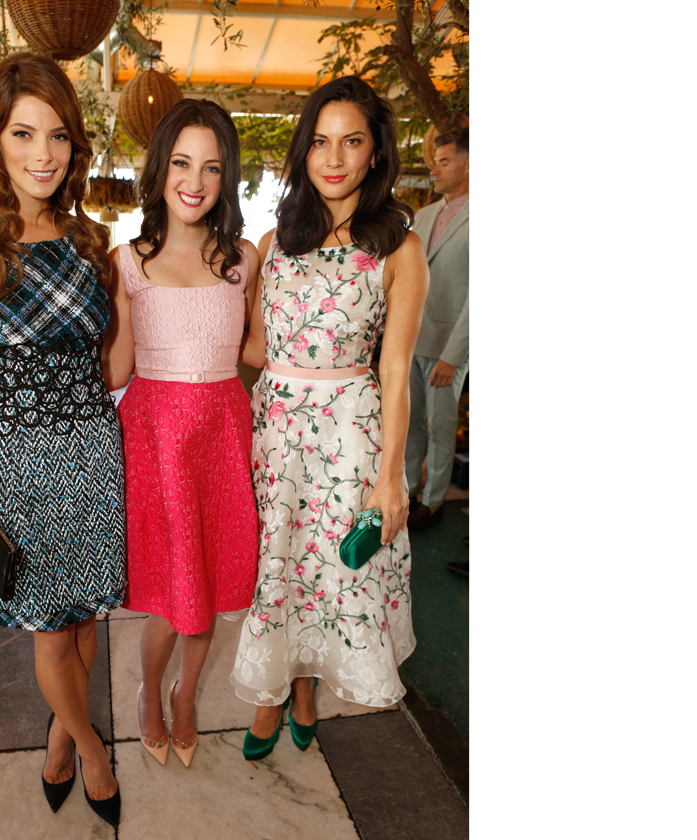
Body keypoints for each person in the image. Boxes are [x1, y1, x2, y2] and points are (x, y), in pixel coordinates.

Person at [0, 52, 126, 827]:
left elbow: (105, 366)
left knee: (83, 620)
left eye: (59, 137)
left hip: (91, 455)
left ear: (74, 146)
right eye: (23, 133)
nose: (43, 154)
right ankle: (92, 747)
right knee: (48, 636)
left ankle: (60, 744)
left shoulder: (88, 243)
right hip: (14, 467)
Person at [230, 75, 429, 760]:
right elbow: (256, 348)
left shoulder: (400, 248)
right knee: (276, 563)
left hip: (351, 430)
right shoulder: (271, 241)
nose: (334, 157)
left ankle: (305, 687)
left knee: (331, 571)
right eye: (319, 141)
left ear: (375, 153)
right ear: (302, 150)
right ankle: (273, 692)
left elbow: (396, 369)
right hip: (276, 426)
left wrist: (391, 477)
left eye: (351, 141)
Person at [105, 99, 260, 769]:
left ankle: (188, 694)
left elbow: (257, 350)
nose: (194, 181)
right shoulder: (127, 260)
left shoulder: (243, 258)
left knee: (217, 588)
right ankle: (148, 694)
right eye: (180, 163)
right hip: (155, 442)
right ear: (159, 168)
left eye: (212, 167)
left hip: (224, 435)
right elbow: (115, 366)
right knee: (172, 597)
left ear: (226, 179)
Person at [405, 127, 468, 531]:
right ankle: (409, 491)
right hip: (409, 341)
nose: (434, 168)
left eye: (444, 161)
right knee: (408, 421)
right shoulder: (423, 216)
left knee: (441, 427)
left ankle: (434, 500)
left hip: (449, 346)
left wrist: (453, 356)